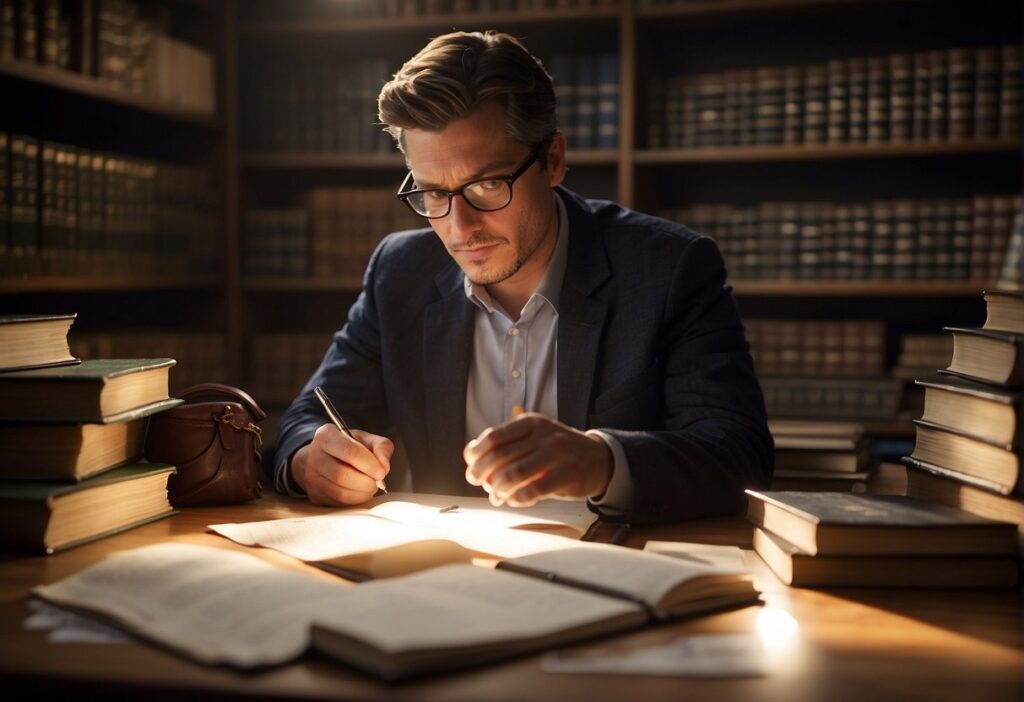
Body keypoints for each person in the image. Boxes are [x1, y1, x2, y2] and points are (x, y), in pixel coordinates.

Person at [273, 30, 773, 525]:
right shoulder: (400, 272)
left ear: (552, 161)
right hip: (445, 580)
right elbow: (306, 420)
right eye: (432, 194)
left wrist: (602, 462)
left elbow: (739, 456)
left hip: (614, 574)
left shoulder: (669, 268)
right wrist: (310, 461)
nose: (459, 227)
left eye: (488, 185)